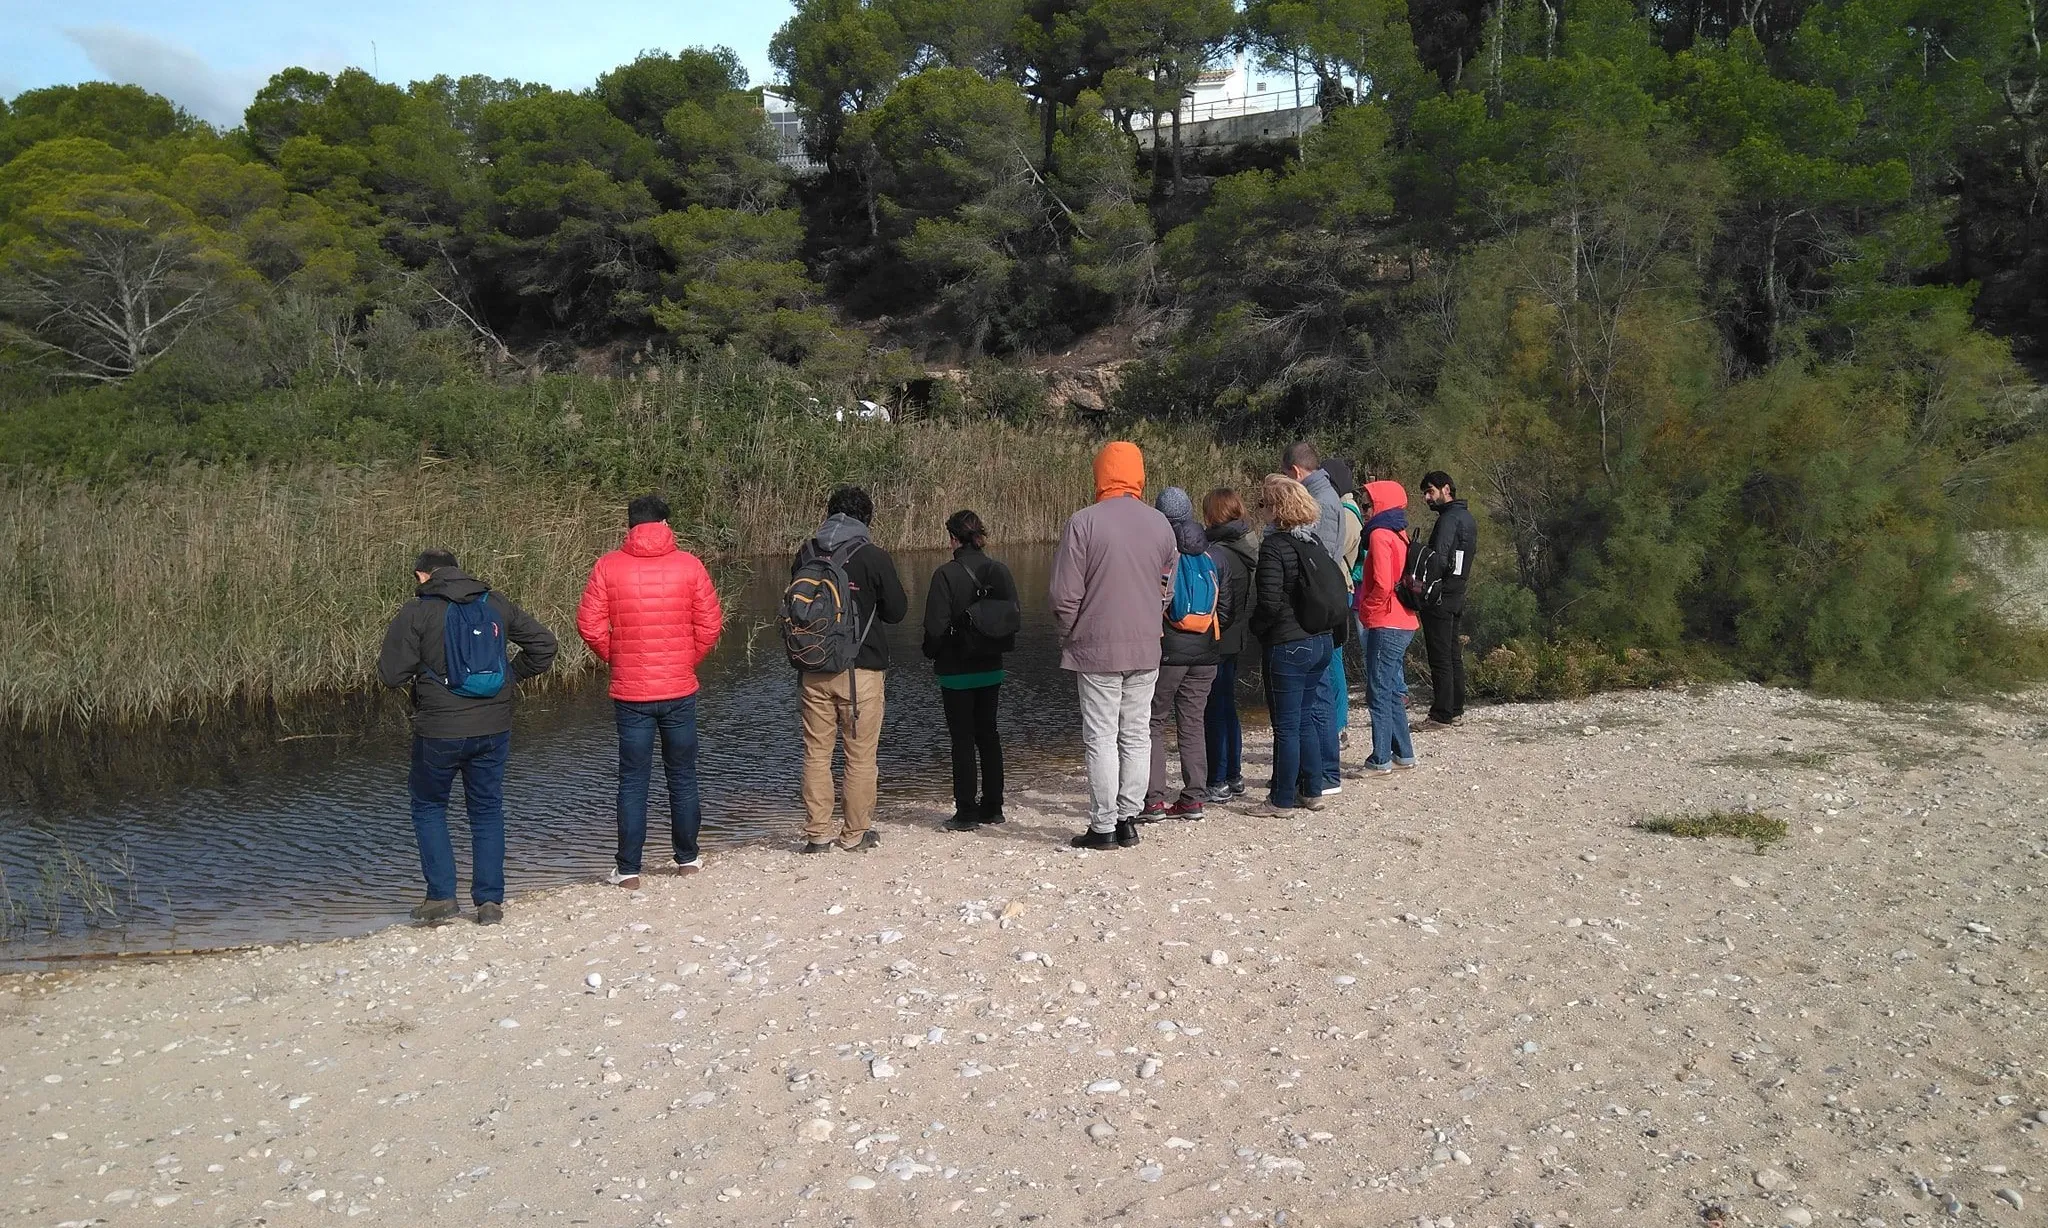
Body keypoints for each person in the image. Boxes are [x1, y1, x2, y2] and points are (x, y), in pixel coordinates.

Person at [377, 549, 558, 925]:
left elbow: (391, 675)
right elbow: (544, 645)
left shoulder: (417, 611)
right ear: (459, 570)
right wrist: (510, 676)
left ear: (422, 576)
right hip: (494, 727)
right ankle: (489, 902)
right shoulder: (495, 603)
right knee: (487, 809)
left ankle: (441, 897)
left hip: (439, 730)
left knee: (429, 807)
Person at [577, 494, 726, 890]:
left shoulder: (607, 566)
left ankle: (628, 870)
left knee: (632, 780)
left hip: (631, 694)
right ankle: (688, 860)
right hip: (679, 689)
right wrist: (684, 661)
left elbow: (589, 625)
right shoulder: (689, 566)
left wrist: (620, 657)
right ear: (665, 524)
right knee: (683, 775)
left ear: (630, 525)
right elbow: (710, 624)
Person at [1049, 441, 1177, 850]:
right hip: (1146, 648)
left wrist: (1070, 633)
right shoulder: (1160, 524)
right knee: (1136, 734)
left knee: (1101, 737)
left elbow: (1063, 595)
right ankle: (1128, 820)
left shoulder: (1083, 522)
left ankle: (1102, 826)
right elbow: (1166, 590)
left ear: (1100, 473)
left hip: (1096, 648)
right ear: (1138, 475)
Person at [790, 486, 907, 854]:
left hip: (812, 668)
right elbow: (897, 611)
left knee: (816, 753)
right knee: (859, 757)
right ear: (867, 519)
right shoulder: (872, 555)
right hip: (862, 672)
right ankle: (855, 834)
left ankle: (817, 834)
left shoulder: (806, 552)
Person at [1245, 474, 1346, 818]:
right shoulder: (1313, 543)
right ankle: (1312, 788)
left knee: (1286, 726)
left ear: (1277, 507)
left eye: (1264, 504)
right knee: (1305, 720)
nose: (1262, 511)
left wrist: (1255, 629)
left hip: (1288, 644)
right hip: (1320, 640)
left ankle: (1281, 799)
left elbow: (1270, 602)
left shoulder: (1275, 546)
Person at [1142, 487, 1237, 821]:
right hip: (1207, 653)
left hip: (1168, 652)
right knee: (1193, 723)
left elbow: (1150, 606)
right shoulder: (1215, 555)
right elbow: (1226, 611)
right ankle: (1193, 798)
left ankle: (1153, 801)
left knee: (1153, 722)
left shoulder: (1157, 552)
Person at [922, 510, 1017, 832]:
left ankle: (966, 811)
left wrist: (930, 653)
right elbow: (1011, 618)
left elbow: (934, 629)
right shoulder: (999, 570)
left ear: (952, 538)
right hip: (992, 667)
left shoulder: (945, 575)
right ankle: (993, 807)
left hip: (955, 671)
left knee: (961, 740)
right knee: (989, 736)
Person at [1283, 441, 1347, 796]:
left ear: (1295, 472)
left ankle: (1325, 773)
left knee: (1318, 695)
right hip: (1322, 614)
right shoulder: (1328, 495)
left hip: (1315, 617)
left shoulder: (1319, 502)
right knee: (1319, 692)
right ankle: (1322, 772)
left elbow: (1314, 567)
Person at [1355, 479, 1420, 775]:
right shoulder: (1399, 532)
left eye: (1368, 505)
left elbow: (1382, 583)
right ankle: (1403, 752)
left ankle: (1380, 757)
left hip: (1386, 620)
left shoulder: (1380, 535)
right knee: (1392, 688)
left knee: (1378, 690)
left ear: (1381, 505)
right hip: (1404, 619)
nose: (1364, 510)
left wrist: (1367, 609)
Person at [1201, 489, 1258, 803]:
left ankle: (1218, 778)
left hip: (1218, 638)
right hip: (1236, 636)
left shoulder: (1217, 552)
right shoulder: (1243, 545)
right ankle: (1233, 775)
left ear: (1212, 515)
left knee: (1215, 709)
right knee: (1227, 705)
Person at [1416, 471, 1478, 729]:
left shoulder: (1449, 520)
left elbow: (1439, 558)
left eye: (1430, 491)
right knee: (1452, 653)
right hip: (1457, 591)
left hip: (1441, 595)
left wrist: (1424, 585)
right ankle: (1455, 708)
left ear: (1445, 489)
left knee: (1440, 654)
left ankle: (1442, 713)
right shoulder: (1466, 517)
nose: (1426, 497)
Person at [1321, 457, 1365, 770]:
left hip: (1339, 589)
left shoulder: (1346, 514)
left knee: (1334, 658)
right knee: (1332, 657)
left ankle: (1338, 725)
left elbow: (1334, 552)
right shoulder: (1347, 510)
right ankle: (1336, 722)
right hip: (1341, 589)